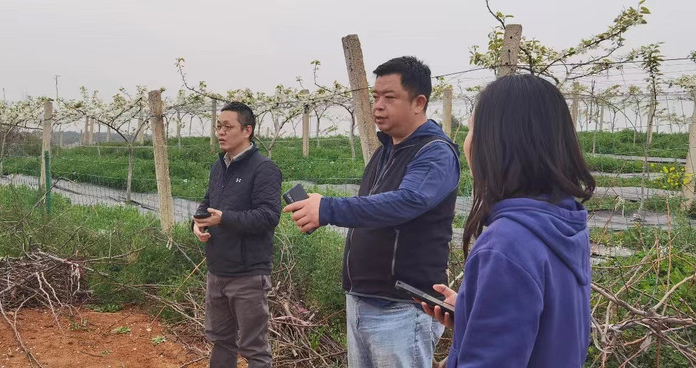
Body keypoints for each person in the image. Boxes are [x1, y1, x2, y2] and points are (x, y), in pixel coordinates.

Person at [284, 56, 460, 368]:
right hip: (363, 300)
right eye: (375, 97)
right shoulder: (385, 151)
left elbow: (406, 202)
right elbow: (375, 213)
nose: (377, 106)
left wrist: (328, 208)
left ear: (419, 102)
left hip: (402, 308)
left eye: (389, 97)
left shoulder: (435, 153)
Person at [424, 74, 595, 367]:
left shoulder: (505, 244)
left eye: (471, 130)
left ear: (495, 143)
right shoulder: (564, 223)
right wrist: (471, 311)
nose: (467, 142)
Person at [192, 101, 283, 368]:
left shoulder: (264, 168)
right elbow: (206, 204)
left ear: (247, 130)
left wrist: (225, 219)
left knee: (254, 348)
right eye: (218, 126)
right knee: (221, 340)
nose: (220, 132)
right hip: (217, 270)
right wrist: (198, 224)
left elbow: (269, 216)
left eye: (228, 126)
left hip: (248, 274)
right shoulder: (218, 166)